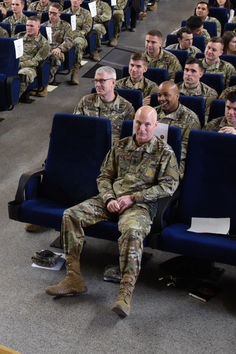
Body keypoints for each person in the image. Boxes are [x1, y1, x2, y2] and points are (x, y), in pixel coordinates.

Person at [45, 106, 179, 318]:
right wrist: (108, 198)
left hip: (138, 205)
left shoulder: (164, 152)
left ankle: (125, 294)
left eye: (147, 124)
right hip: (111, 200)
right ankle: (74, 278)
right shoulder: (121, 146)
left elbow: (169, 186)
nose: (142, 128)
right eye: (138, 123)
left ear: (155, 126)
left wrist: (134, 198)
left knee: (133, 232)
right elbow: (104, 176)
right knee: (70, 215)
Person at [74, 66, 135, 140]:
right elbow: (75, 126)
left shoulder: (127, 108)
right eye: (96, 80)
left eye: (102, 81)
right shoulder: (86, 101)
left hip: (113, 149)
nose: (97, 85)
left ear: (113, 82)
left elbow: (128, 139)